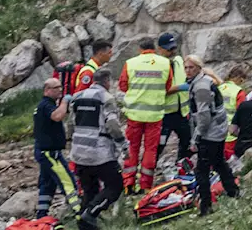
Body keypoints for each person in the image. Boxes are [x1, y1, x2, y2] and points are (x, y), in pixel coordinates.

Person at [69, 69, 126, 230]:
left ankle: (84, 223)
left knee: (90, 190)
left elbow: (70, 124)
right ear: (107, 81)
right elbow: (113, 125)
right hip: (99, 152)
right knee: (115, 186)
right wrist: (122, 144)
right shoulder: (106, 98)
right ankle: (91, 214)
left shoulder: (77, 97)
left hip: (79, 152)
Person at [184, 56, 239, 217]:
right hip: (218, 130)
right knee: (219, 163)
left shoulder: (200, 86)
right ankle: (233, 191)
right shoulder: (205, 80)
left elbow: (204, 115)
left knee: (201, 170)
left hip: (210, 133)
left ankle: (205, 206)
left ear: (199, 68)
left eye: (191, 68)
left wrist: (196, 138)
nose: (187, 71)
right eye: (186, 68)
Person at [118, 36, 173, 193]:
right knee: (150, 149)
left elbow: (123, 86)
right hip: (155, 115)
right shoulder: (165, 63)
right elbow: (168, 86)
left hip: (134, 114)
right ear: (154, 48)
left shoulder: (131, 63)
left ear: (140, 49)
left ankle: (128, 183)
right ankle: (146, 185)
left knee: (132, 148)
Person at [32, 77, 81, 220]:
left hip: (44, 151)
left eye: (60, 87)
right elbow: (57, 116)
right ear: (47, 90)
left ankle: (42, 215)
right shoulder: (46, 105)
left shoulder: (46, 105)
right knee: (68, 182)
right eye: (56, 88)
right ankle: (80, 213)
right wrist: (65, 101)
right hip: (50, 153)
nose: (60, 90)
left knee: (47, 184)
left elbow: (59, 113)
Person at [155, 32, 191, 169]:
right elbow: (160, 90)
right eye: (169, 49)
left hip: (181, 113)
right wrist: (180, 88)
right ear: (160, 49)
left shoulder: (179, 61)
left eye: (174, 48)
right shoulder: (158, 66)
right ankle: (147, 175)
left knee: (187, 141)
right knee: (159, 145)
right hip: (164, 114)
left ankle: (181, 168)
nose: (172, 51)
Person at [217, 65, 248, 161]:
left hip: (216, 131)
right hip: (231, 134)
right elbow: (243, 114)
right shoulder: (239, 92)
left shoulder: (219, 88)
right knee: (230, 162)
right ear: (240, 78)